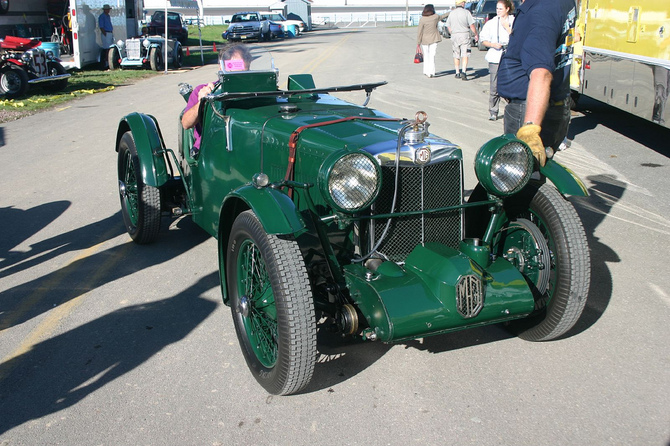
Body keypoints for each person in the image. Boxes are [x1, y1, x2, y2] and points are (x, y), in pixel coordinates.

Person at [497, 0, 578, 166]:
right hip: (553, 103)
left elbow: (541, 73)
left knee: (517, 176)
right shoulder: (559, 4)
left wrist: (530, 129)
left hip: (529, 110)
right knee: (532, 176)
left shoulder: (540, 12)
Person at [181, 44, 252, 155]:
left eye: (242, 71)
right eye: (232, 69)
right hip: (209, 149)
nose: (237, 76)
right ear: (221, 67)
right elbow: (186, 123)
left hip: (247, 146)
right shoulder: (203, 90)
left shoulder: (256, 91)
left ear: (248, 67)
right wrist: (202, 102)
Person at [480, 0, 514, 121]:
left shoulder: (514, 21)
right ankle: (493, 111)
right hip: (495, 56)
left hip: (510, 56)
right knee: (494, 86)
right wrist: (492, 44)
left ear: (507, 9)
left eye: (500, 9)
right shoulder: (491, 23)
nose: (498, 11)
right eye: (497, 8)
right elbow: (483, 40)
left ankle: (512, 110)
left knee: (510, 84)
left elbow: (517, 37)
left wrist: (507, 28)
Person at [446, 0, 478, 80]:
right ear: (462, 3)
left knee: (456, 54)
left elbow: (448, 26)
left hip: (454, 35)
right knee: (465, 54)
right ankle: (463, 71)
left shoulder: (451, 13)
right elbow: (472, 25)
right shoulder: (466, 12)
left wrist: (452, 33)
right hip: (464, 34)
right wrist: (476, 34)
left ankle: (457, 72)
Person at [416, 4, 449, 78]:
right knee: (432, 56)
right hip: (434, 39)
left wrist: (418, 42)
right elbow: (443, 16)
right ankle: (431, 72)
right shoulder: (435, 17)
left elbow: (420, 31)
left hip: (424, 39)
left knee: (426, 55)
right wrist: (451, 12)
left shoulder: (422, 19)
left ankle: (426, 71)